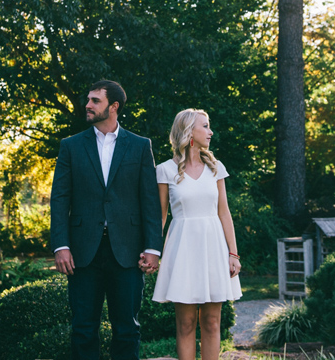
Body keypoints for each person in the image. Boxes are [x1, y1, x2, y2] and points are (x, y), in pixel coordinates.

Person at [50, 79, 164, 360]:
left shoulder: (139, 146)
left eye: (95, 101)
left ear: (114, 106)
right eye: (88, 100)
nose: (87, 105)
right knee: (83, 328)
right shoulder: (71, 146)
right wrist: (60, 245)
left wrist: (153, 248)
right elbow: (59, 199)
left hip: (127, 252)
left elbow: (149, 200)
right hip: (82, 252)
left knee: (127, 329)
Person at [152, 108, 242, 360]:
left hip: (214, 247)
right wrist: (152, 251)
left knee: (213, 322)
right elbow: (160, 217)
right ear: (189, 132)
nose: (210, 131)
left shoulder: (216, 168)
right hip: (182, 250)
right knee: (186, 324)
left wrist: (233, 253)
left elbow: (224, 213)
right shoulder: (165, 170)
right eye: (205, 126)